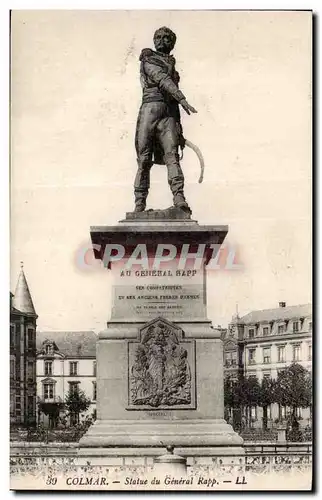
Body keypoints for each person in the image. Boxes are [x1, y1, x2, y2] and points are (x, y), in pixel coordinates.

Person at [134, 26, 197, 213]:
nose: (162, 40)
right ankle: (139, 204)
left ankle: (179, 199)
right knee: (144, 159)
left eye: (166, 38)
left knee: (173, 156)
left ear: (172, 42)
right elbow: (161, 78)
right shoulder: (148, 58)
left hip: (168, 114)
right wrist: (182, 98)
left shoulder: (171, 63)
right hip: (150, 110)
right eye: (158, 37)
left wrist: (180, 132)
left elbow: (173, 104)